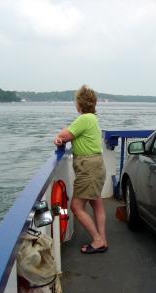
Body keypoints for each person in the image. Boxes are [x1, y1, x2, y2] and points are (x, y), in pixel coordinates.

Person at [53, 85, 107, 254]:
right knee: (97, 204)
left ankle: (98, 241)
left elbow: (64, 135)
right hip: (96, 165)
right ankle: (102, 240)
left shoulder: (84, 119)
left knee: (76, 207)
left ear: (79, 104)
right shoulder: (92, 119)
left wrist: (58, 138)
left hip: (88, 168)